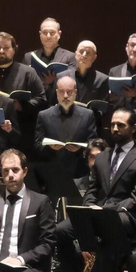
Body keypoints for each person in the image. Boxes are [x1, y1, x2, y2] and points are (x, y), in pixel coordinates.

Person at [34, 76, 96, 205]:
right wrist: (49, 147)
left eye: (69, 92)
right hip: (52, 175)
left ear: (75, 92)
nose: (65, 95)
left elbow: (93, 143)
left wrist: (82, 149)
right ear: (56, 93)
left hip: (79, 174)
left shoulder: (88, 115)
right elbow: (37, 145)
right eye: (62, 92)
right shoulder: (44, 115)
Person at [71, 41, 109, 106]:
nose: (84, 55)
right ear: (76, 54)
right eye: (81, 51)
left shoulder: (102, 79)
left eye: (88, 53)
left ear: (94, 57)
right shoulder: (63, 76)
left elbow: (103, 107)